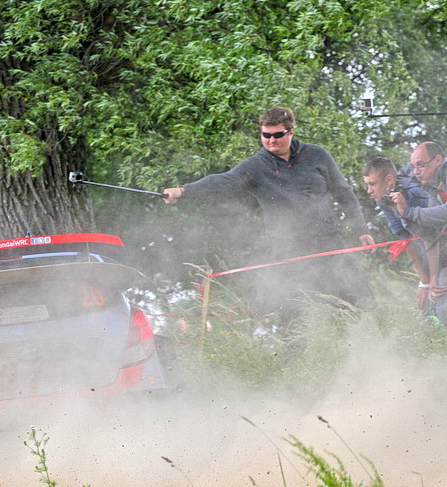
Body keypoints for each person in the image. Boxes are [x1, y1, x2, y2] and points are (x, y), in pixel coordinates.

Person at [163, 107, 375, 325]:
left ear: (291, 132)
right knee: (292, 320)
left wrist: (361, 230)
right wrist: (183, 191)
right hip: (289, 253)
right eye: (266, 135)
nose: (271, 140)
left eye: (277, 135)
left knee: (362, 302)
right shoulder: (256, 166)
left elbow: (343, 193)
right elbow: (223, 181)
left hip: (329, 245)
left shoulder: (317, 155)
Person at [388, 142, 447, 323]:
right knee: (438, 295)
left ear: (438, 160)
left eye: (421, 165)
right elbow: (431, 234)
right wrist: (404, 214)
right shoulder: (433, 188)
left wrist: (411, 213)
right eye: (413, 167)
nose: (416, 172)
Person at [362, 156, 430, 306]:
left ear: (389, 180)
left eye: (372, 184)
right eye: (367, 185)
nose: (369, 191)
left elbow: (431, 236)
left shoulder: (416, 193)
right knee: (427, 305)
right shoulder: (383, 199)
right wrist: (424, 281)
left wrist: (433, 281)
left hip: (439, 243)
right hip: (429, 248)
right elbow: (405, 238)